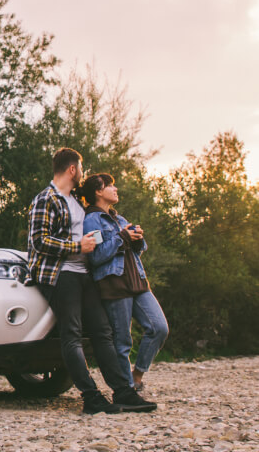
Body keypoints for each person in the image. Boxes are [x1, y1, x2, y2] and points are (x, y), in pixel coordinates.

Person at [27, 147, 156, 414]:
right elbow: (38, 241)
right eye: (81, 168)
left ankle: (123, 392)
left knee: (103, 332)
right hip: (60, 274)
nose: (84, 174)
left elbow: (93, 235)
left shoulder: (75, 199)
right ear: (72, 169)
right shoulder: (46, 199)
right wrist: (77, 246)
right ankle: (91, 397)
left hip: (84, 274)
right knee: (71, 335)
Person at [80, 173, 169, 392]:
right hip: (115, 284)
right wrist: (122, 238)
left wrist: (138, 238)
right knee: (122, 342)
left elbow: (136, 251)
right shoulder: (92, 220)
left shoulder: (119, 218)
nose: (115, 188)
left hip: (137, 281)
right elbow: (96, 256)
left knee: (159, 328)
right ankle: (126, 390)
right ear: (98, 192)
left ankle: (136, 375)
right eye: (109, 185)